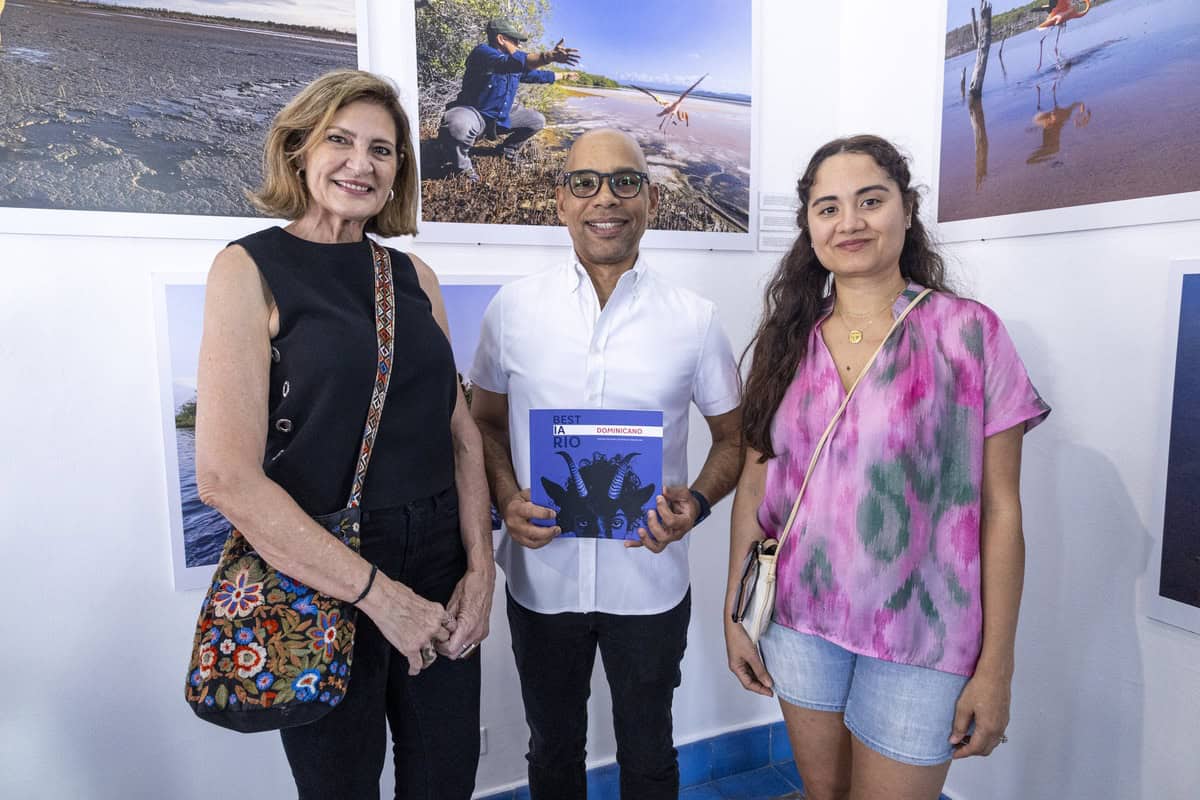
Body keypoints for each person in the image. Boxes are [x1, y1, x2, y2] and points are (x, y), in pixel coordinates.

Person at [195, 69, 494, 799]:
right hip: (322, 566)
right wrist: (378, 597)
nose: (361, 164)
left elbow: (460, 434)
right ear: (299, 149)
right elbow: (225, 478)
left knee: (447, 778)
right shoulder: (247, 268)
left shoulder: (413, 275)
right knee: (340, 786)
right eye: (340, 140)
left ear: (398, 170)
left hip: (440, 556)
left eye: (382, 150)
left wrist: (482, 569)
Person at [724, 135, 1050, 800]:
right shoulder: (788, 341)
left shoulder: (969, 333)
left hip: (924, 635)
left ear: (907, 208)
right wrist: (738, 612)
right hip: (799, 620)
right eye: (828, 208)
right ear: (809, 225)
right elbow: (756, 483)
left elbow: (1001, 511)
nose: (850, 222)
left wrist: (996, 668)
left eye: (870, 201)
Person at [469, 128, 743, 799]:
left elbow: (734, 440)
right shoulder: (511, 311)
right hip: (542, 583)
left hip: (648, 583)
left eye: (625, 182)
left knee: (649, 753)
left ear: (651, 199)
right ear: (561, 199)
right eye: (585, 182)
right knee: (551, 749)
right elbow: (484, 424)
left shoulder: (696, 320)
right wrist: (505, 497)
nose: (605, 198)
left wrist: (695, 504)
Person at [437, 17, 580, 180]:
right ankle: (463, 169)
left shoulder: (514, 64)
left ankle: (506, 152)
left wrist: (565, 75)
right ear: (501, 39)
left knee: (537, 120)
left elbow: (537, 75)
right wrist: (548, 56)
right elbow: (512, 63)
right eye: (515, 40)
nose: (519, 45)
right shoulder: (482, 52)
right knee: (458, 126)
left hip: (500, 117)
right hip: (474, 112)